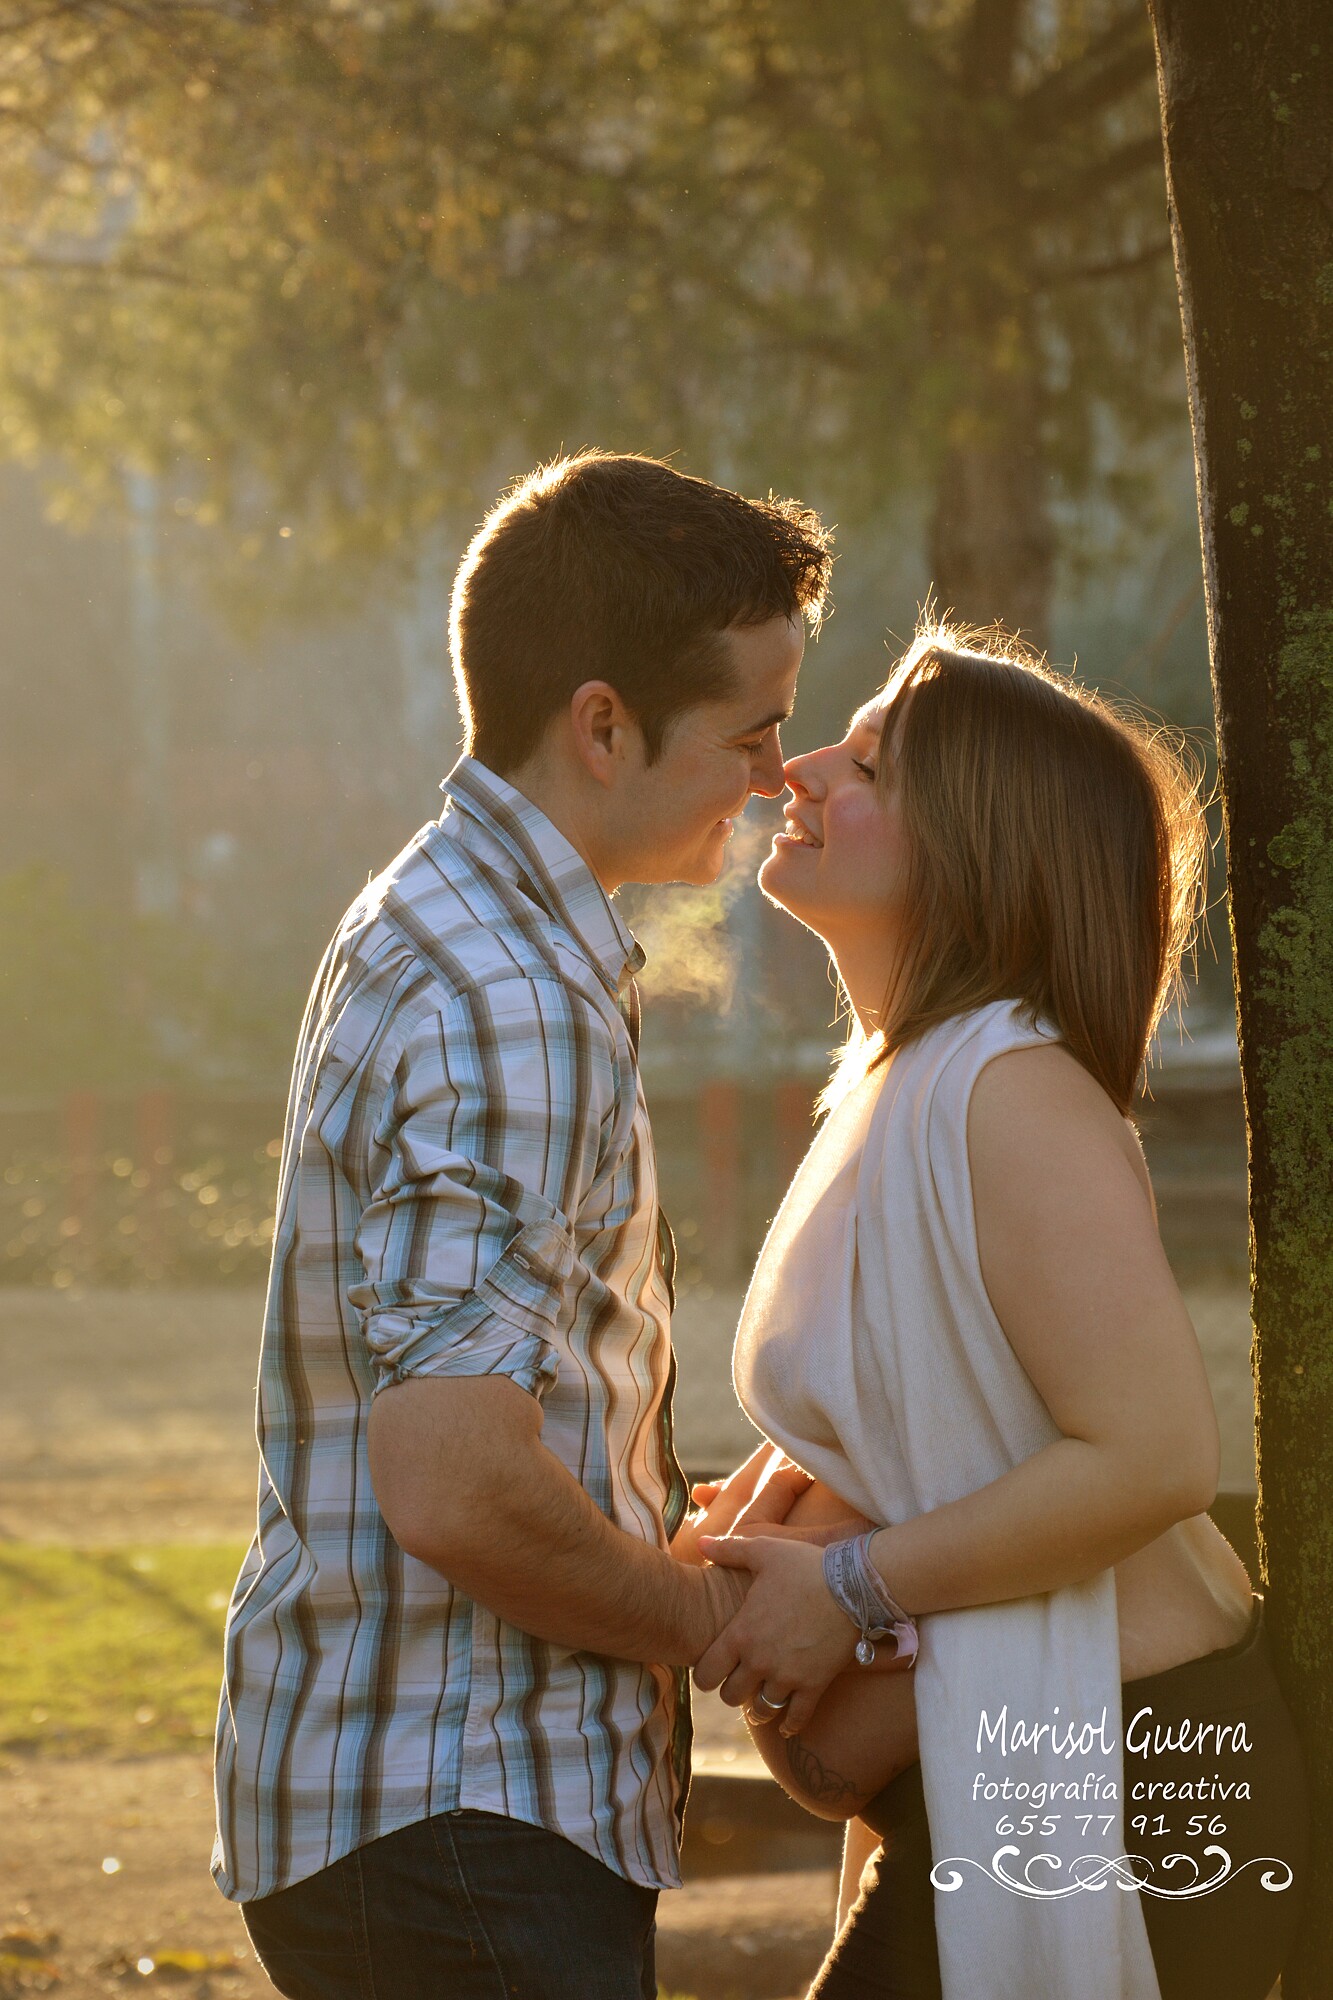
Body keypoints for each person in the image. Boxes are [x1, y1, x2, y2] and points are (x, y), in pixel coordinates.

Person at [211, 450, 833, 2000]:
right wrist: (703, 1619)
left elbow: (499, 1405)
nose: (775, 776)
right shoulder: (507, 997)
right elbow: (457, 1484)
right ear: (603, 725)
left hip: (412, 1803)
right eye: (750, 732)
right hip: (462, 1810)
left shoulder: (445, 920)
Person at [689, 631, 1308, 2000]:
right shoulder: (897, 1084)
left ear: (969, 844)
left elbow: (1146, 1459)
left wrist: (844, 1587)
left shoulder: (1008, 1088)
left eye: (861, 763)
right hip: (1014, 1754)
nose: (794, 768)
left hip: (1137, 1775)